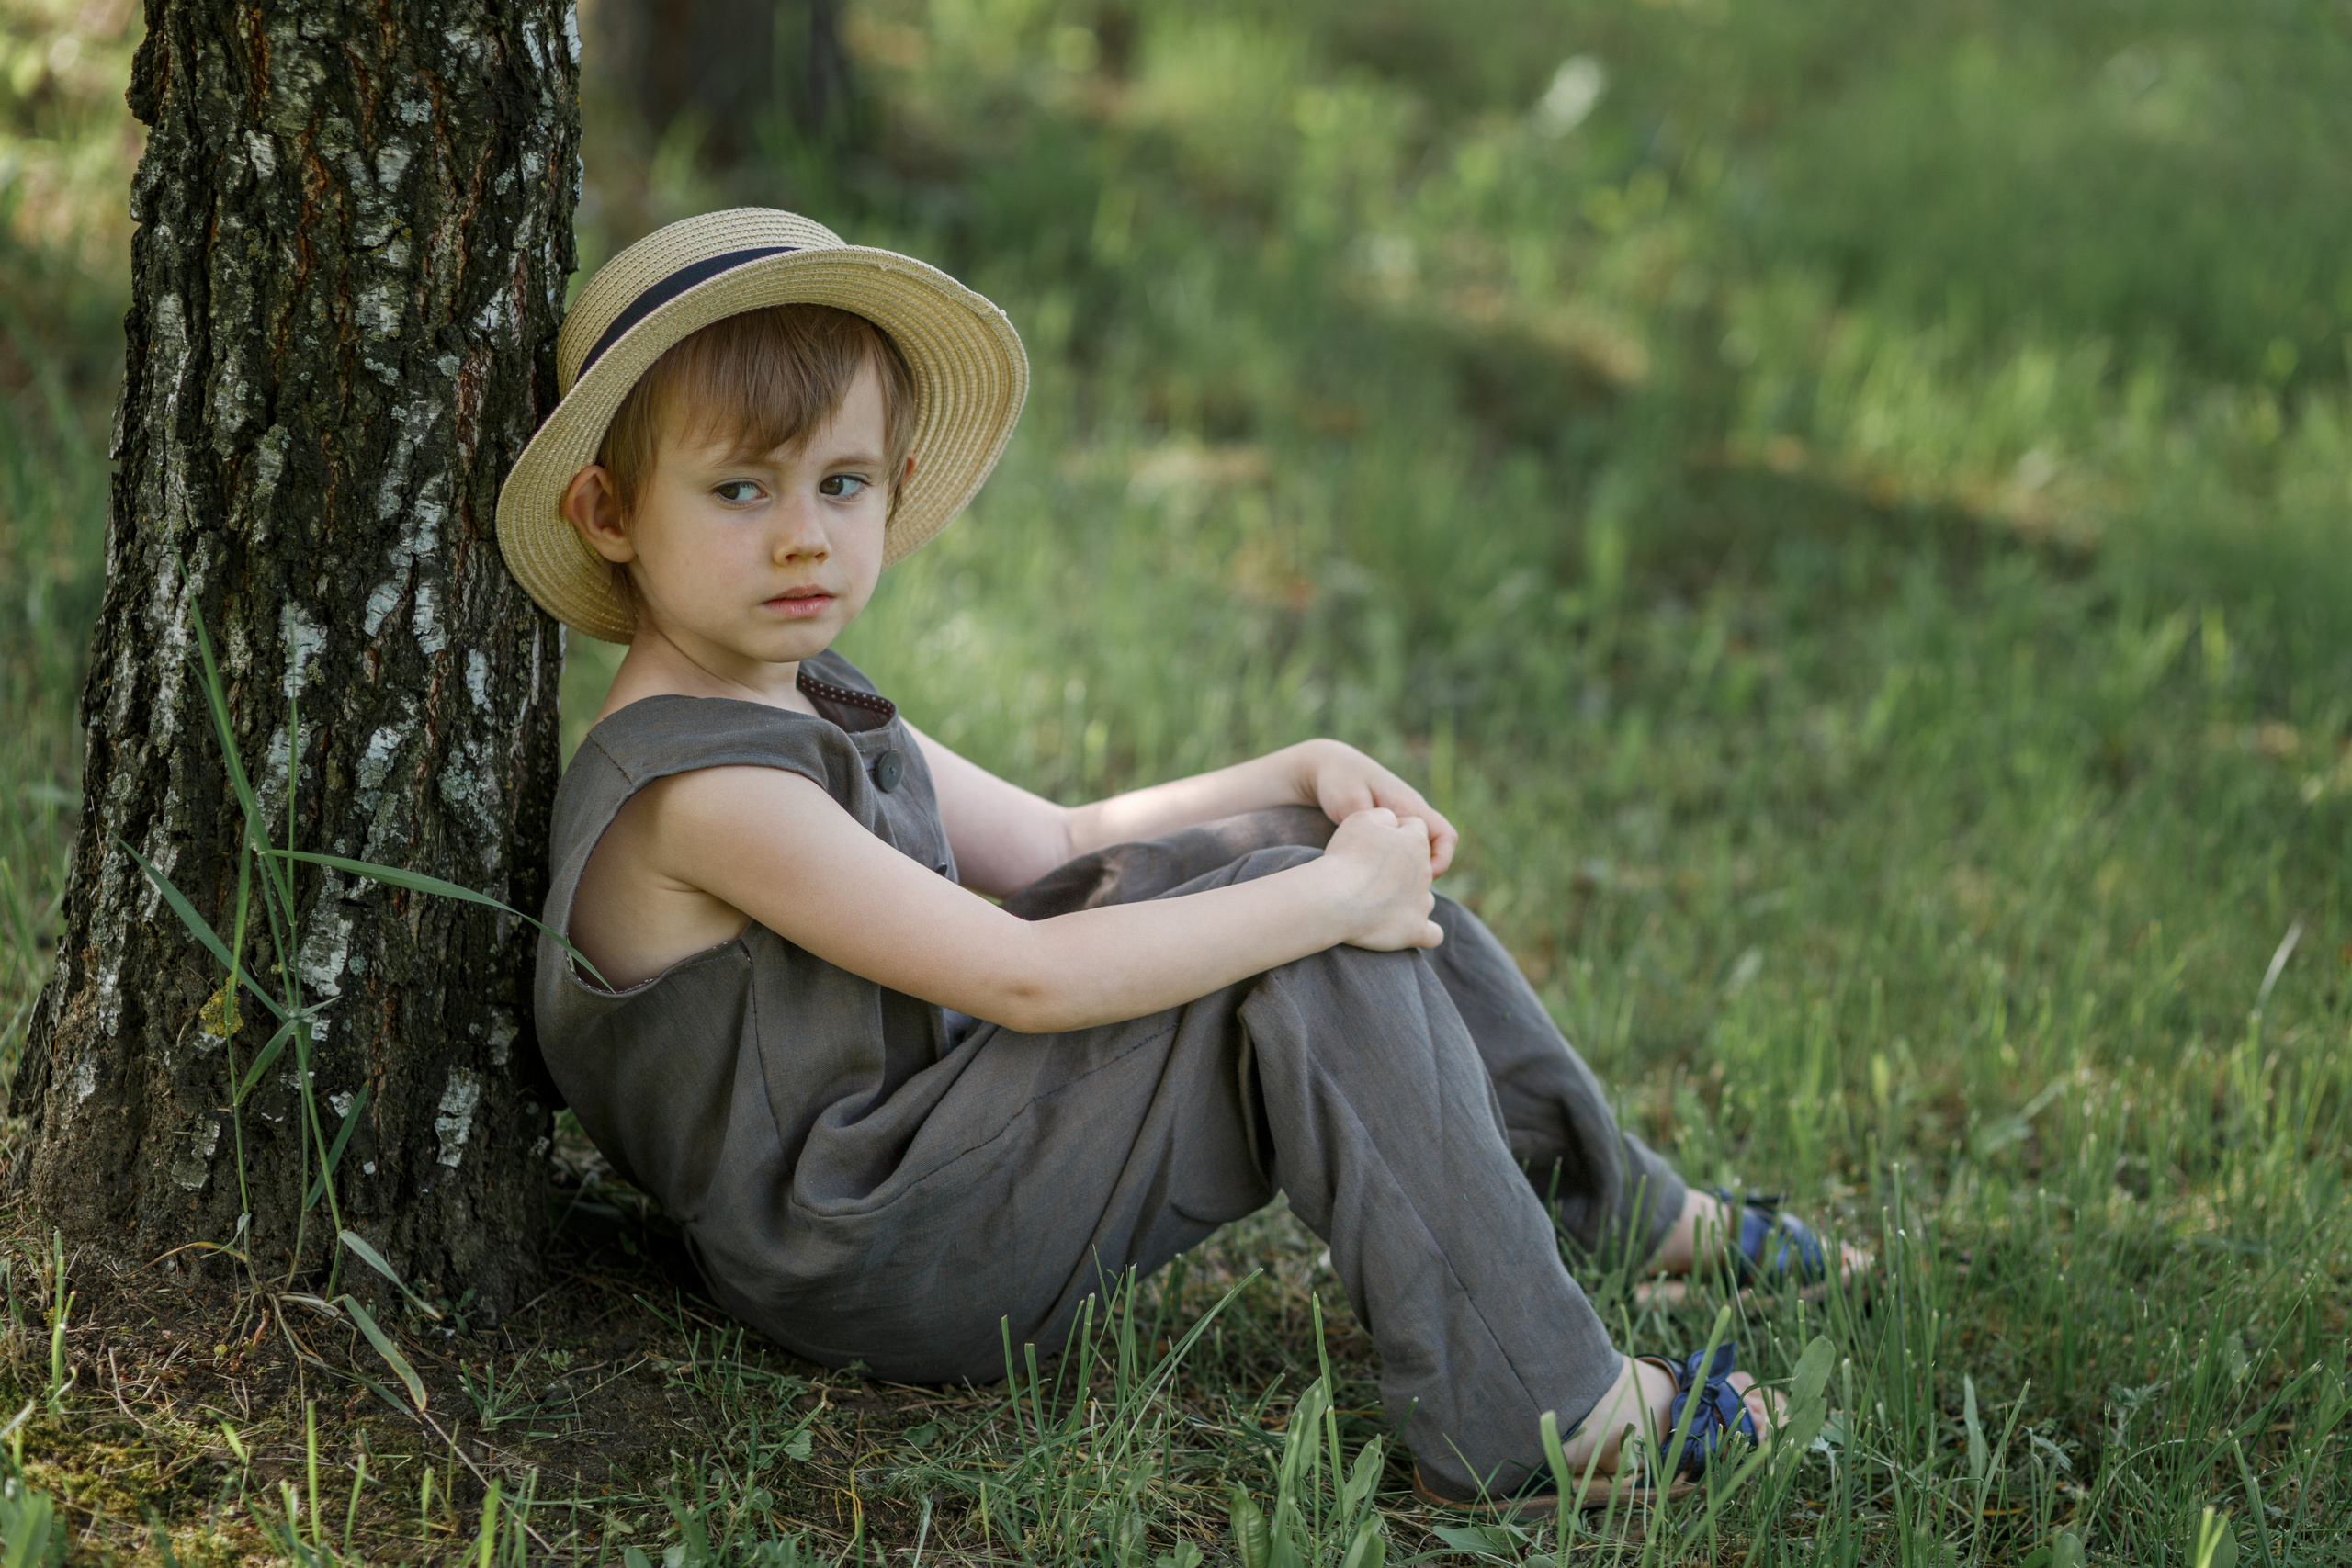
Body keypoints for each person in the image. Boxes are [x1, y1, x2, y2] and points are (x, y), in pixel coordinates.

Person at [493, 209, 1867, 1509]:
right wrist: (1327, 898)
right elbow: (1024, 976)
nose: (804, 532)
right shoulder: (707, 790)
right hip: (867, 1251)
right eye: (740, 489)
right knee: (1303, 926)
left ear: (894, 489)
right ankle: (1544, 1412)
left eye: (840, 484)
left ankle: (1620, 1205)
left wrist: (1294, 779)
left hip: (928, 1165)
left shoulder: (792, 690)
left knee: (1290, 854)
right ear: (610, 515)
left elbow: (1058, 841)